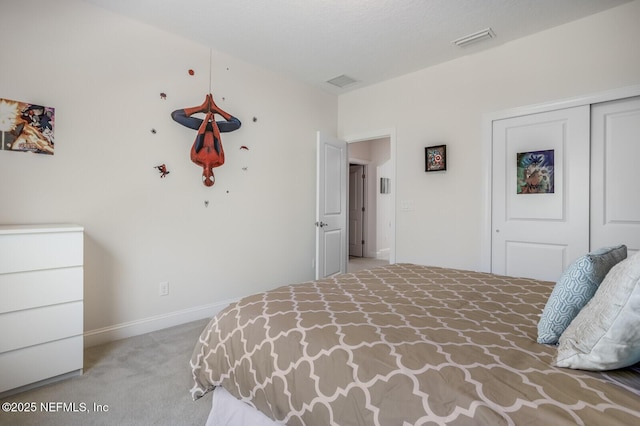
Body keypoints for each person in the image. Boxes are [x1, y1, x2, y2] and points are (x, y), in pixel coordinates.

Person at [171, 94, 241, 186]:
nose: (208, 176)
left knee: (176, 115)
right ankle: (215, 109)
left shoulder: (195, 158)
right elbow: (217, 139)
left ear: (202, 176)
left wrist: (206, 119)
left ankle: (201, 108)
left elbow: (199, 136)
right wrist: (213, 122)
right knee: (237, 124)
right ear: (214, 176)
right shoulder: (219, 161)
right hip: (214, 128)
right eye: (211, 178)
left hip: (201, 126)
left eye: (205, 178)